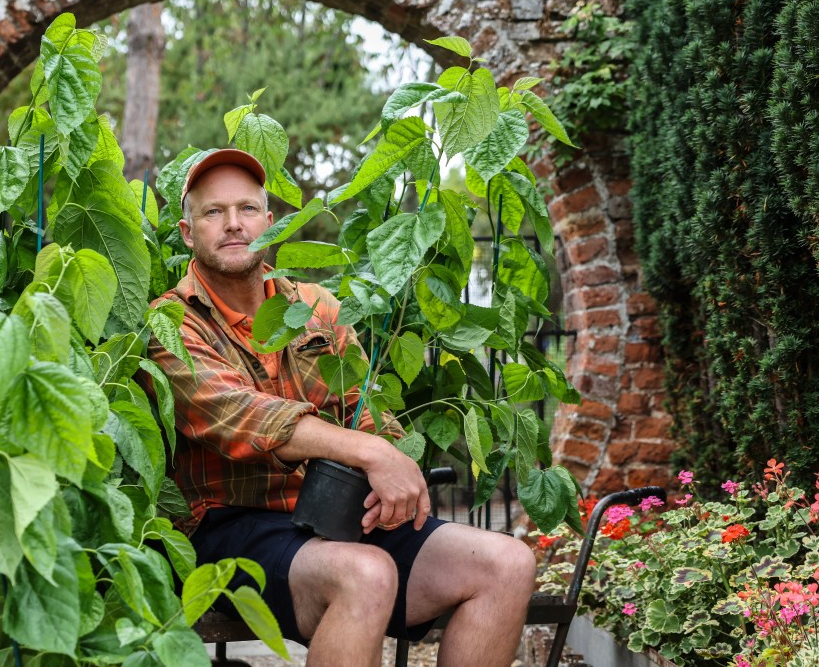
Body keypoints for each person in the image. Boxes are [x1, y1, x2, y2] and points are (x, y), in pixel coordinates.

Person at [144, 149, 535, 667]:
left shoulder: (317, 307)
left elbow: (365, 410)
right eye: (214, 212)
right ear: (188, 233)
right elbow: (237, 415)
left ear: (270, 221)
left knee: (507, 563)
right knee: (366, 573)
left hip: (336, 513)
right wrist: (373, 454)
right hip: (229, 526)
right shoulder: (170, 322)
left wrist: (388, 462)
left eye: (247, 208)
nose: (234, 223)